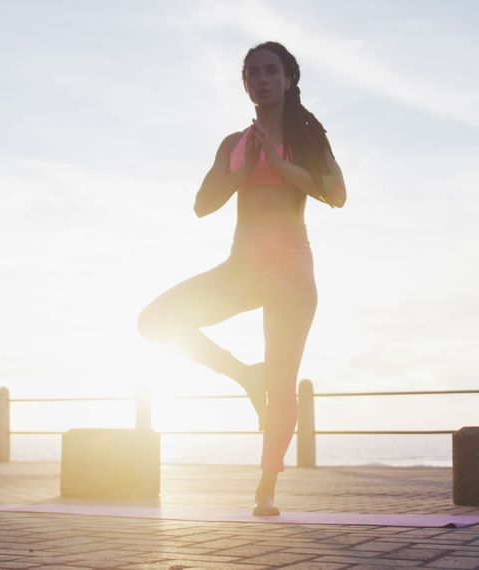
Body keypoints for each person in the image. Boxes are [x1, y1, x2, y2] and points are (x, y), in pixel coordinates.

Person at [137, 41, 347, 516]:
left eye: (271, 71)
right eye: (252, 73)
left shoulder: (309, 139)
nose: (262, 79)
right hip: (243, 268)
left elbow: (337, 194)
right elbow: (201, 205)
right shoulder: (234, 144)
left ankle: (266, 488)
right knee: (154, 322)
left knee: (284, 380)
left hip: (291, 271)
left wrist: (281, 167)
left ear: (288, 79)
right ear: (245, 83)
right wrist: (245, 172)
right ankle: (243, 375)